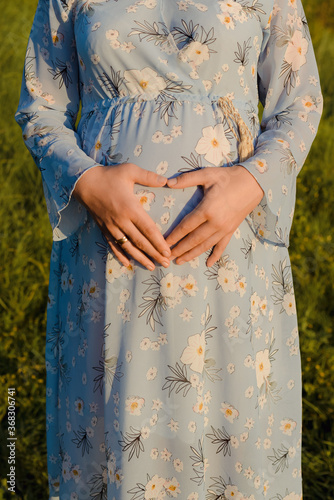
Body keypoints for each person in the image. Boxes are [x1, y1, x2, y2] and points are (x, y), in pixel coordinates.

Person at [15, 0, 322, 498]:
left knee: (231, 426)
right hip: (109, 264)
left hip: (229, 263)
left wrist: (251, 180)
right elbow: (40, 107)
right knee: (117, 433)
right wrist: (87, 181)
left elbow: (300, 103)